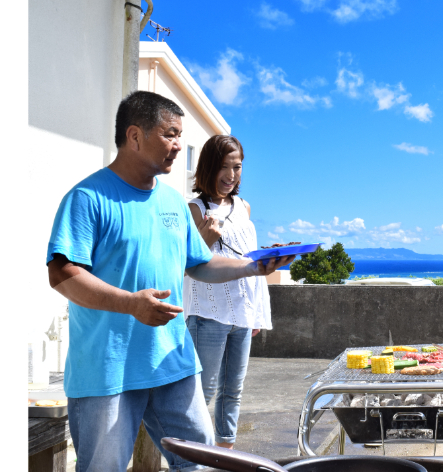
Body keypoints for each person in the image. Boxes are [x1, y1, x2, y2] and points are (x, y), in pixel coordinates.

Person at [45, 91, 294, 472]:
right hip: (108, 371)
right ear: (134, 136)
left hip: (173, 362)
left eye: (180, 136)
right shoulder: (87, 198)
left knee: (203, 464)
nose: (179, 146)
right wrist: (131, 304)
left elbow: (201, 265)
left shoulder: (174, 204)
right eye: (171, 134)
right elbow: (62, 274)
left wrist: (252, 267)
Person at [183, 135, 271, 450]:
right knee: (201, 393)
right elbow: (183, 265)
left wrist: (257, 308)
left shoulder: (243, 206)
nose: (231, 175)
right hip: (209, 312)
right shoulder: (194, 209)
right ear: (208, 167)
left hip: (243, 311)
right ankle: (192, 456)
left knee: (233, 391)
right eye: (224, 167)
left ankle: (225, 453)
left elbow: (248, 256)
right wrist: (204, 239)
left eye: (237, 167)